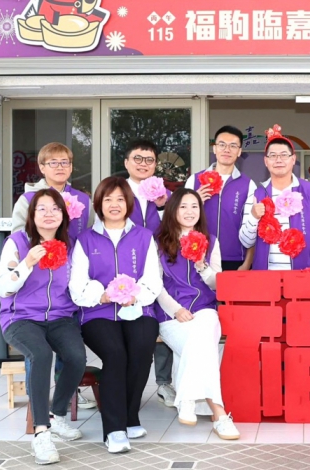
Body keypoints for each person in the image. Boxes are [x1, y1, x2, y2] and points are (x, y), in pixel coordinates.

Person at [69, 176, 162, 453]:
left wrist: (136, 295)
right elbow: (77, 285)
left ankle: (130, 416)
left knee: (142, 349)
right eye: (108, 199)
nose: (114, 204)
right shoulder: (85, 239)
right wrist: (102, 295)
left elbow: (153, 279)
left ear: (129, 203)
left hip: (139, 308)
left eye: (120, 199)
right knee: (115, 354)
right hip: (97, 312)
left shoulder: (144, 236)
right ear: (98, 204)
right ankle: (114, 430)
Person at [0, 189, 86, 465]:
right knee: (41, 354)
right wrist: (27, 263)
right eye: (42, 209)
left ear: (64, 215)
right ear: (31, 215)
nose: (49, 214)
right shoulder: (17, 242)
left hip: (59, 317)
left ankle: (57, 416)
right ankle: (41, 433)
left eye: (55, 208)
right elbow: (2, 288)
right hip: (20, 318)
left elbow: (78, 284)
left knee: (76, 357)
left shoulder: (71, 245)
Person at [10, 142, 96, 410]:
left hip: (69, 276)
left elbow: (88, 235)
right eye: (53, 163)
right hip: (37, 277)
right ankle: (37, 398)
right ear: (42, 167)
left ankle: (66, 394)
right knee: (36, 345)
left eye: (65, 162)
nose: (60, 167)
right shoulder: (28, 199)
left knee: (68, 337)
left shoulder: (83, 199)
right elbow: (18, 236)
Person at [154, 188, 240, 439]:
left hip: (205, 309)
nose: (190, 211)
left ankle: (188, 400)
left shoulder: (210, 241)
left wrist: (202, 265)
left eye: (194, 206)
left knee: (204, 328)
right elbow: (156, 285)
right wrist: (176, 310)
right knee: (202, 345)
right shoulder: (158, 242)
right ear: (173, 210)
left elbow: (217, 285)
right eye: (183, 206)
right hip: (172, 315)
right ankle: (219, 414)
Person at [121, 139, 176, 410]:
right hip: (125, 268)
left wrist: (164, 206)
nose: (143, 164)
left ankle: (164, 382)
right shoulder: (116, 191)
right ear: (126, 162)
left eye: (149, 160)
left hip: (161, 266)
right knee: (131, 322)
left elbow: (176, 227)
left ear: (155, 165)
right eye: (138, 158)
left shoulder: (165, 193)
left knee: (162, 319)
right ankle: (127, 382)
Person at [240, 124, 310, 270]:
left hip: (303, 275)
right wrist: (253, 217)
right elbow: (246, 242)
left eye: (284, 155)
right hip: (265, 276)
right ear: (266, 161)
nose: (278, 160)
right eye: (273, 156)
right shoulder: (256, 195)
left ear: (293, 159)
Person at [185, 125, 257, 271]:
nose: (227, 150)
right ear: (214, 148)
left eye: (233, 146)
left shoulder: (248, 184)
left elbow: (252, 227)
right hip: (199, 256)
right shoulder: (195, 180)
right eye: (222, 144)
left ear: (239, 151)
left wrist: (247, 264)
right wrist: (195, 202)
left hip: (235, 259)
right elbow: (180, 220)